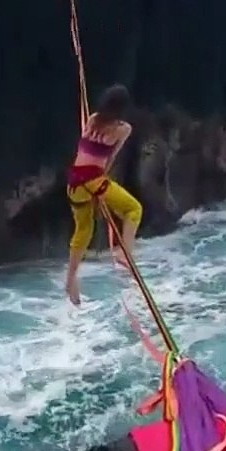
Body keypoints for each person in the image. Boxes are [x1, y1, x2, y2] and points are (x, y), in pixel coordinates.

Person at [64, 83, 143, 306]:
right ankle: (124, 252)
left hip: (74, 184)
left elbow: (86, 151)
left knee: (84, 230)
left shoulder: (92, 119)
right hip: (92, 181)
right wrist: (101, 188)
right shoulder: (122, 129)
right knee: (133, 209)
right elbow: (109, 159)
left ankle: (71, 281)